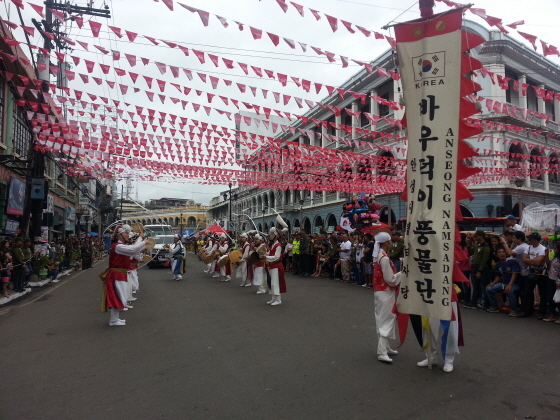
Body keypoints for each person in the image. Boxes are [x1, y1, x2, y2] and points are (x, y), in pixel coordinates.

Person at [102, 225, 149, 326]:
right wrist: (143, 241)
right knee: (117, 295)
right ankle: (114, 320)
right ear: (120, 235)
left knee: (120, 296)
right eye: (126, 233)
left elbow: (133, 251)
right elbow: (132, 250)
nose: (128, 235)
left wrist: (141, 245)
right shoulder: (117, 246)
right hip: (116, 274)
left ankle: (116, 319)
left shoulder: (121, 246)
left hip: (120, 273)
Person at [373, 232, 401, 363]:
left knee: (382, 319)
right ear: (386, 243)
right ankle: (382, 351)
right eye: (389, 241)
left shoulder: (380, 255)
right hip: (385, 291)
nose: (391, 243)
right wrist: (403, 273)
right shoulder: (384, 258)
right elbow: (390, 279)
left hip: (380, 291)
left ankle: (385, 347)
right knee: (387, 320)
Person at [485, 248, 520, 313]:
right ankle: (495, 307)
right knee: (489, 289)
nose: (501, 254)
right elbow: (498, 276)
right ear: (497, 255)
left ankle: (515, 310)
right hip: (504, 284)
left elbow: (515, 274)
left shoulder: (512, 262)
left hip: (515, 284)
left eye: (503, 252)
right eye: (499, 252)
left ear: (506, 253)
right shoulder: (498, 264)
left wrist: (510, 285)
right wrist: (493, 283)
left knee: (510, 291)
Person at [522, 232, 548, 319]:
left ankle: (542, 312)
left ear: (535, 240)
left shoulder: (542, 249)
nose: (528, 241)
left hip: (541, 273)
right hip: (531, 271)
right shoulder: (528, 248)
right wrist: (534, 261)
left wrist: (530, 261)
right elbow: (524, 259)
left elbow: (538, 262)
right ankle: (528, 310)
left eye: (530, 239)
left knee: (542, 293)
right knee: (527, 292)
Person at [464, 231, 492, 310]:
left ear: (481, 236)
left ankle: (486, 304)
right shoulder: (477, 245)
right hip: (475, 267)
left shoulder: (486, 246)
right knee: (475, 286)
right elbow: (471, 252)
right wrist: (469, 245)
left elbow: (484, 259)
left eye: (476, 236)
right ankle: (473, 302)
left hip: (482, 268)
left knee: (484, 286)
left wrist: (480, 271)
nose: (475, 238)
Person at [265, 227, 286, 306]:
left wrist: (266, 257)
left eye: (271, 234)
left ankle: (278, 299)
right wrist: (263, 254)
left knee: (275, 283)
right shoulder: (272, 245)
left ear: (275, 235)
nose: (269, 236)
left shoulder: (278, 245)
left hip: (276, 266)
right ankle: (273, 298)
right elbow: (269, 253)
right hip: (272, 265)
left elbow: (276, 257)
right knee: (272, 282)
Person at [545, 242, 560, 323]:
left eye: (555, 248)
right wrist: (546, 256)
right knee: (550, 298)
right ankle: (552, 315)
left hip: (558, 281)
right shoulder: (555, 257)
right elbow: (549, 265)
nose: (554, 250)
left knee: (558, 299)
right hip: (551, 279)